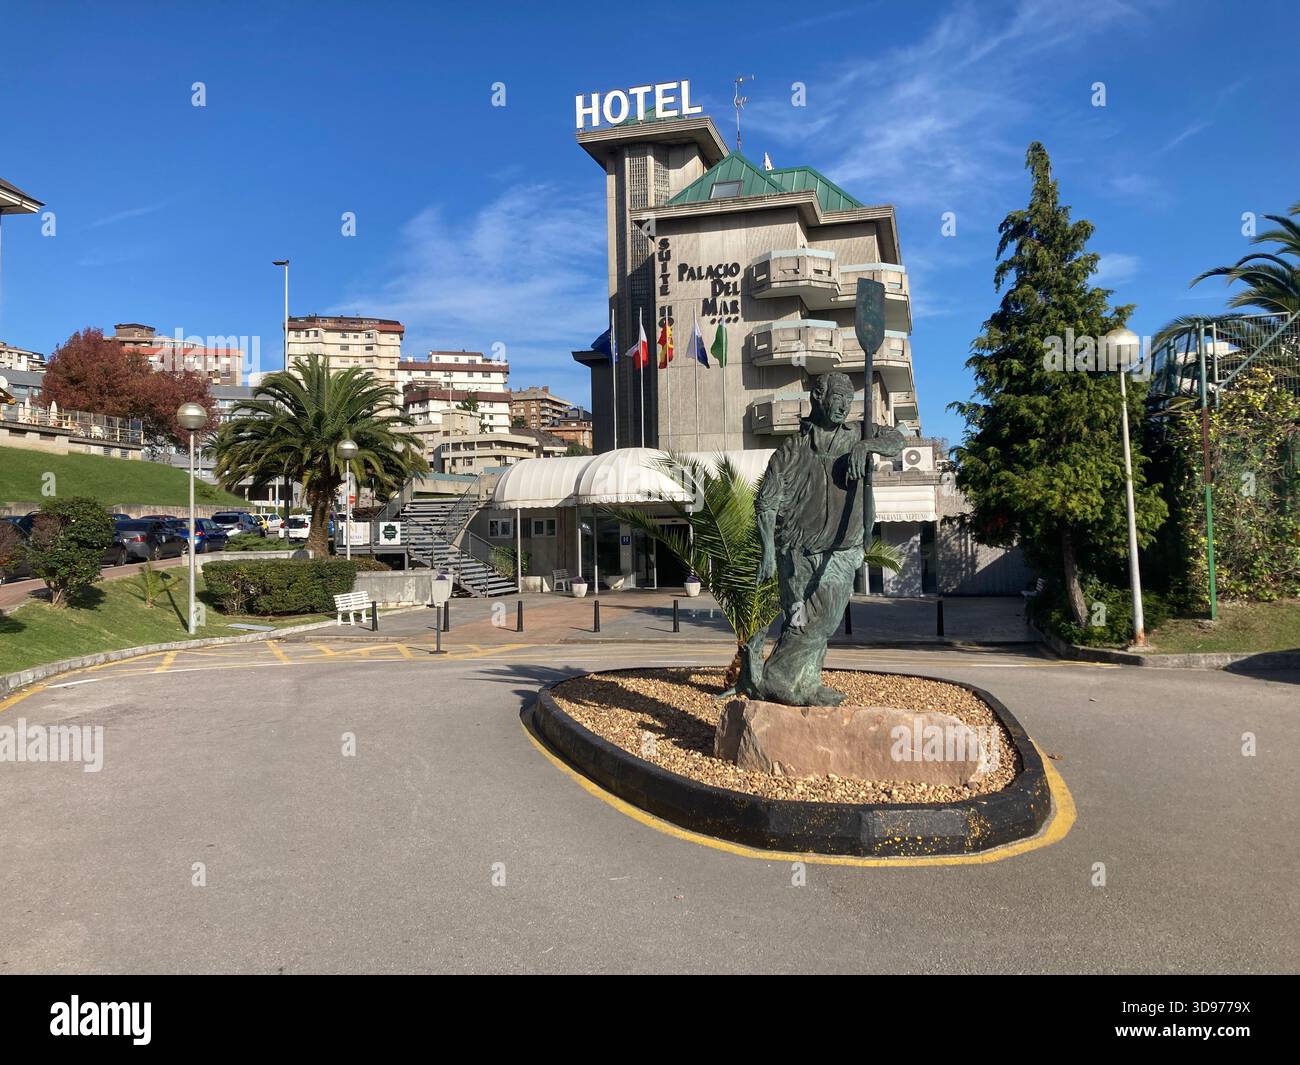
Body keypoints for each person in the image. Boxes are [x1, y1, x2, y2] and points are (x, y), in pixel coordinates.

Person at [741, 371, 904, 706]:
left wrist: (867, 445)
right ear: (818, 398)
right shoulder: (792, 449)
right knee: (799, 621)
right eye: (837, 398)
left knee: (824, 619)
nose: (844, 406)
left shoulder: (860, 433)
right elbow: (766, 502)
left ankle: (775, 678)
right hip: (796, 552)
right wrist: (768, 553)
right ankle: (805, 682)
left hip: (842, 549)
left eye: (849, 399)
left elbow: (898, 440)